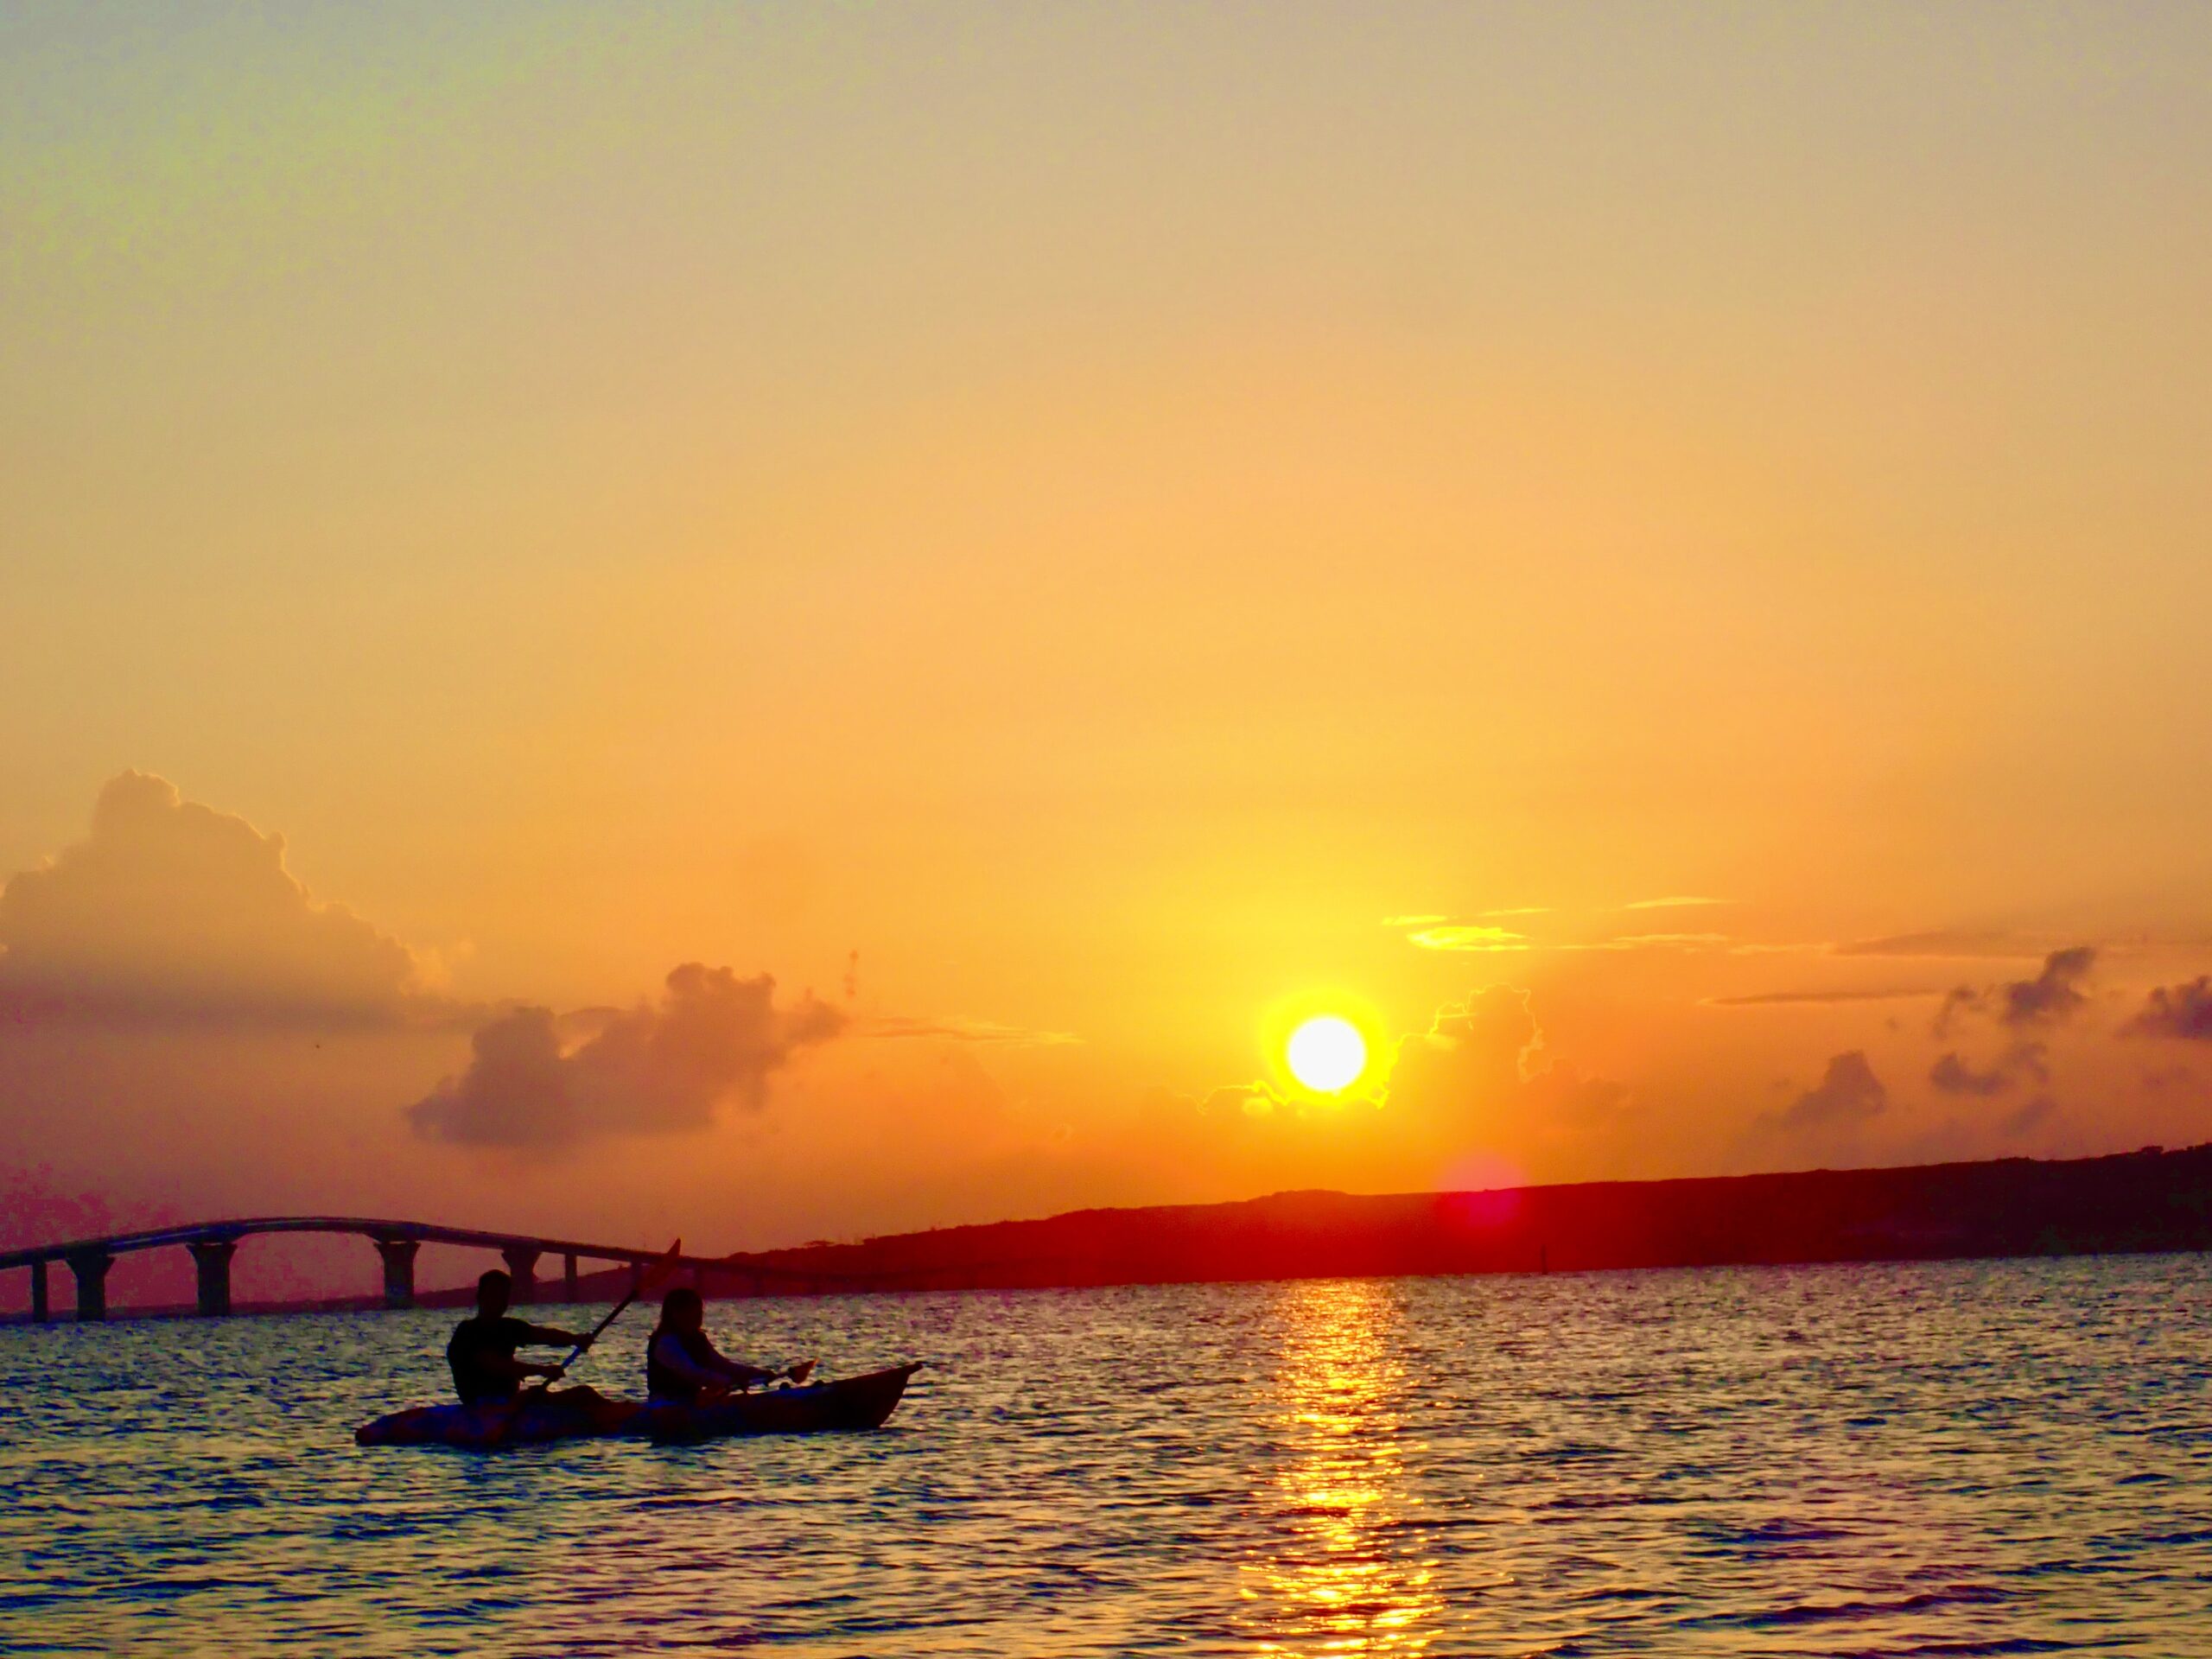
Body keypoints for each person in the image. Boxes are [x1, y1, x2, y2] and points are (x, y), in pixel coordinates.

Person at [446, 1268, 600, 1408]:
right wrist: (542, 1370)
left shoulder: (508, 1327)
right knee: (581, 1396)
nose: (499, 1302)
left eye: (503, 1296)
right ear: (480, 1297)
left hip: (509, 1404)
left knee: (584, 1393)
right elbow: (495, 1365)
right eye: (493, 1295)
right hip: (482, 1406)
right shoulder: (466, 1332)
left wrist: (575, 1339)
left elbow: (543, 1335)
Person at [645, 1287, 810, 1405]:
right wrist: (729, 1382)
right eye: (694, 1312)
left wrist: (757, 1374)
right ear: (676, 1313)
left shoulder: (698, 1338)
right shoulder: (666, 1343)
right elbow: (693, 1373)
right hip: (665, 1405)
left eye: (700, 1311)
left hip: (693, 1401)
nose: (699, 1316)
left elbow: (722, 1365)